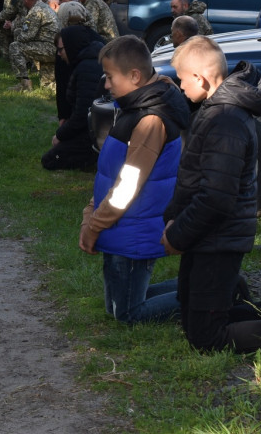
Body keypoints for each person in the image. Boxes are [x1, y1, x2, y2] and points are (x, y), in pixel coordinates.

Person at [163, 36, 261, 351]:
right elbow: (195, 178)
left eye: (181, 79)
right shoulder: (214, 109)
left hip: (219, 238)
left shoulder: (225, 121)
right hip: (206, 235)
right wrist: (174, 218)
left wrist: (178, 234)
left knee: (207, 338)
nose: (179, 86)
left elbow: (217, 197)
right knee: (193, 318)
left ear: (200, 79)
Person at [79, 35, 191, 324]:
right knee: (116, 308)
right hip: (121, 225)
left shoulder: (150, 120)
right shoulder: (135, 107)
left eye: (110, 77)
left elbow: (128, 184)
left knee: (127, 315)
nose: (105, 84)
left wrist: (95, 225)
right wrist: (90, 213)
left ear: (135, 76)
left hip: (134, 230)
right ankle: (199, 287)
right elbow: (112, 173)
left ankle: (209, 292)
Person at [41, 25, 106, 171]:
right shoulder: (88, 61)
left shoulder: (86, 68)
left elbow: (83, 113)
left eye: (61, 49)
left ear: (71, 46)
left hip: (94, 133)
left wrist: (61, 135)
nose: (59, 54)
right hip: (94, 129)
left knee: (50, 160)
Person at [8, 0, 60, 92]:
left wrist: (17, 35)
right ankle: (67, 88)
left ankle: (24, 84)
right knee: (46, 86)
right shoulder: (44, 7)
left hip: (48, 49)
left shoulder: (36, 11)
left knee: (15, 47)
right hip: (56, 49)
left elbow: (27, 36)